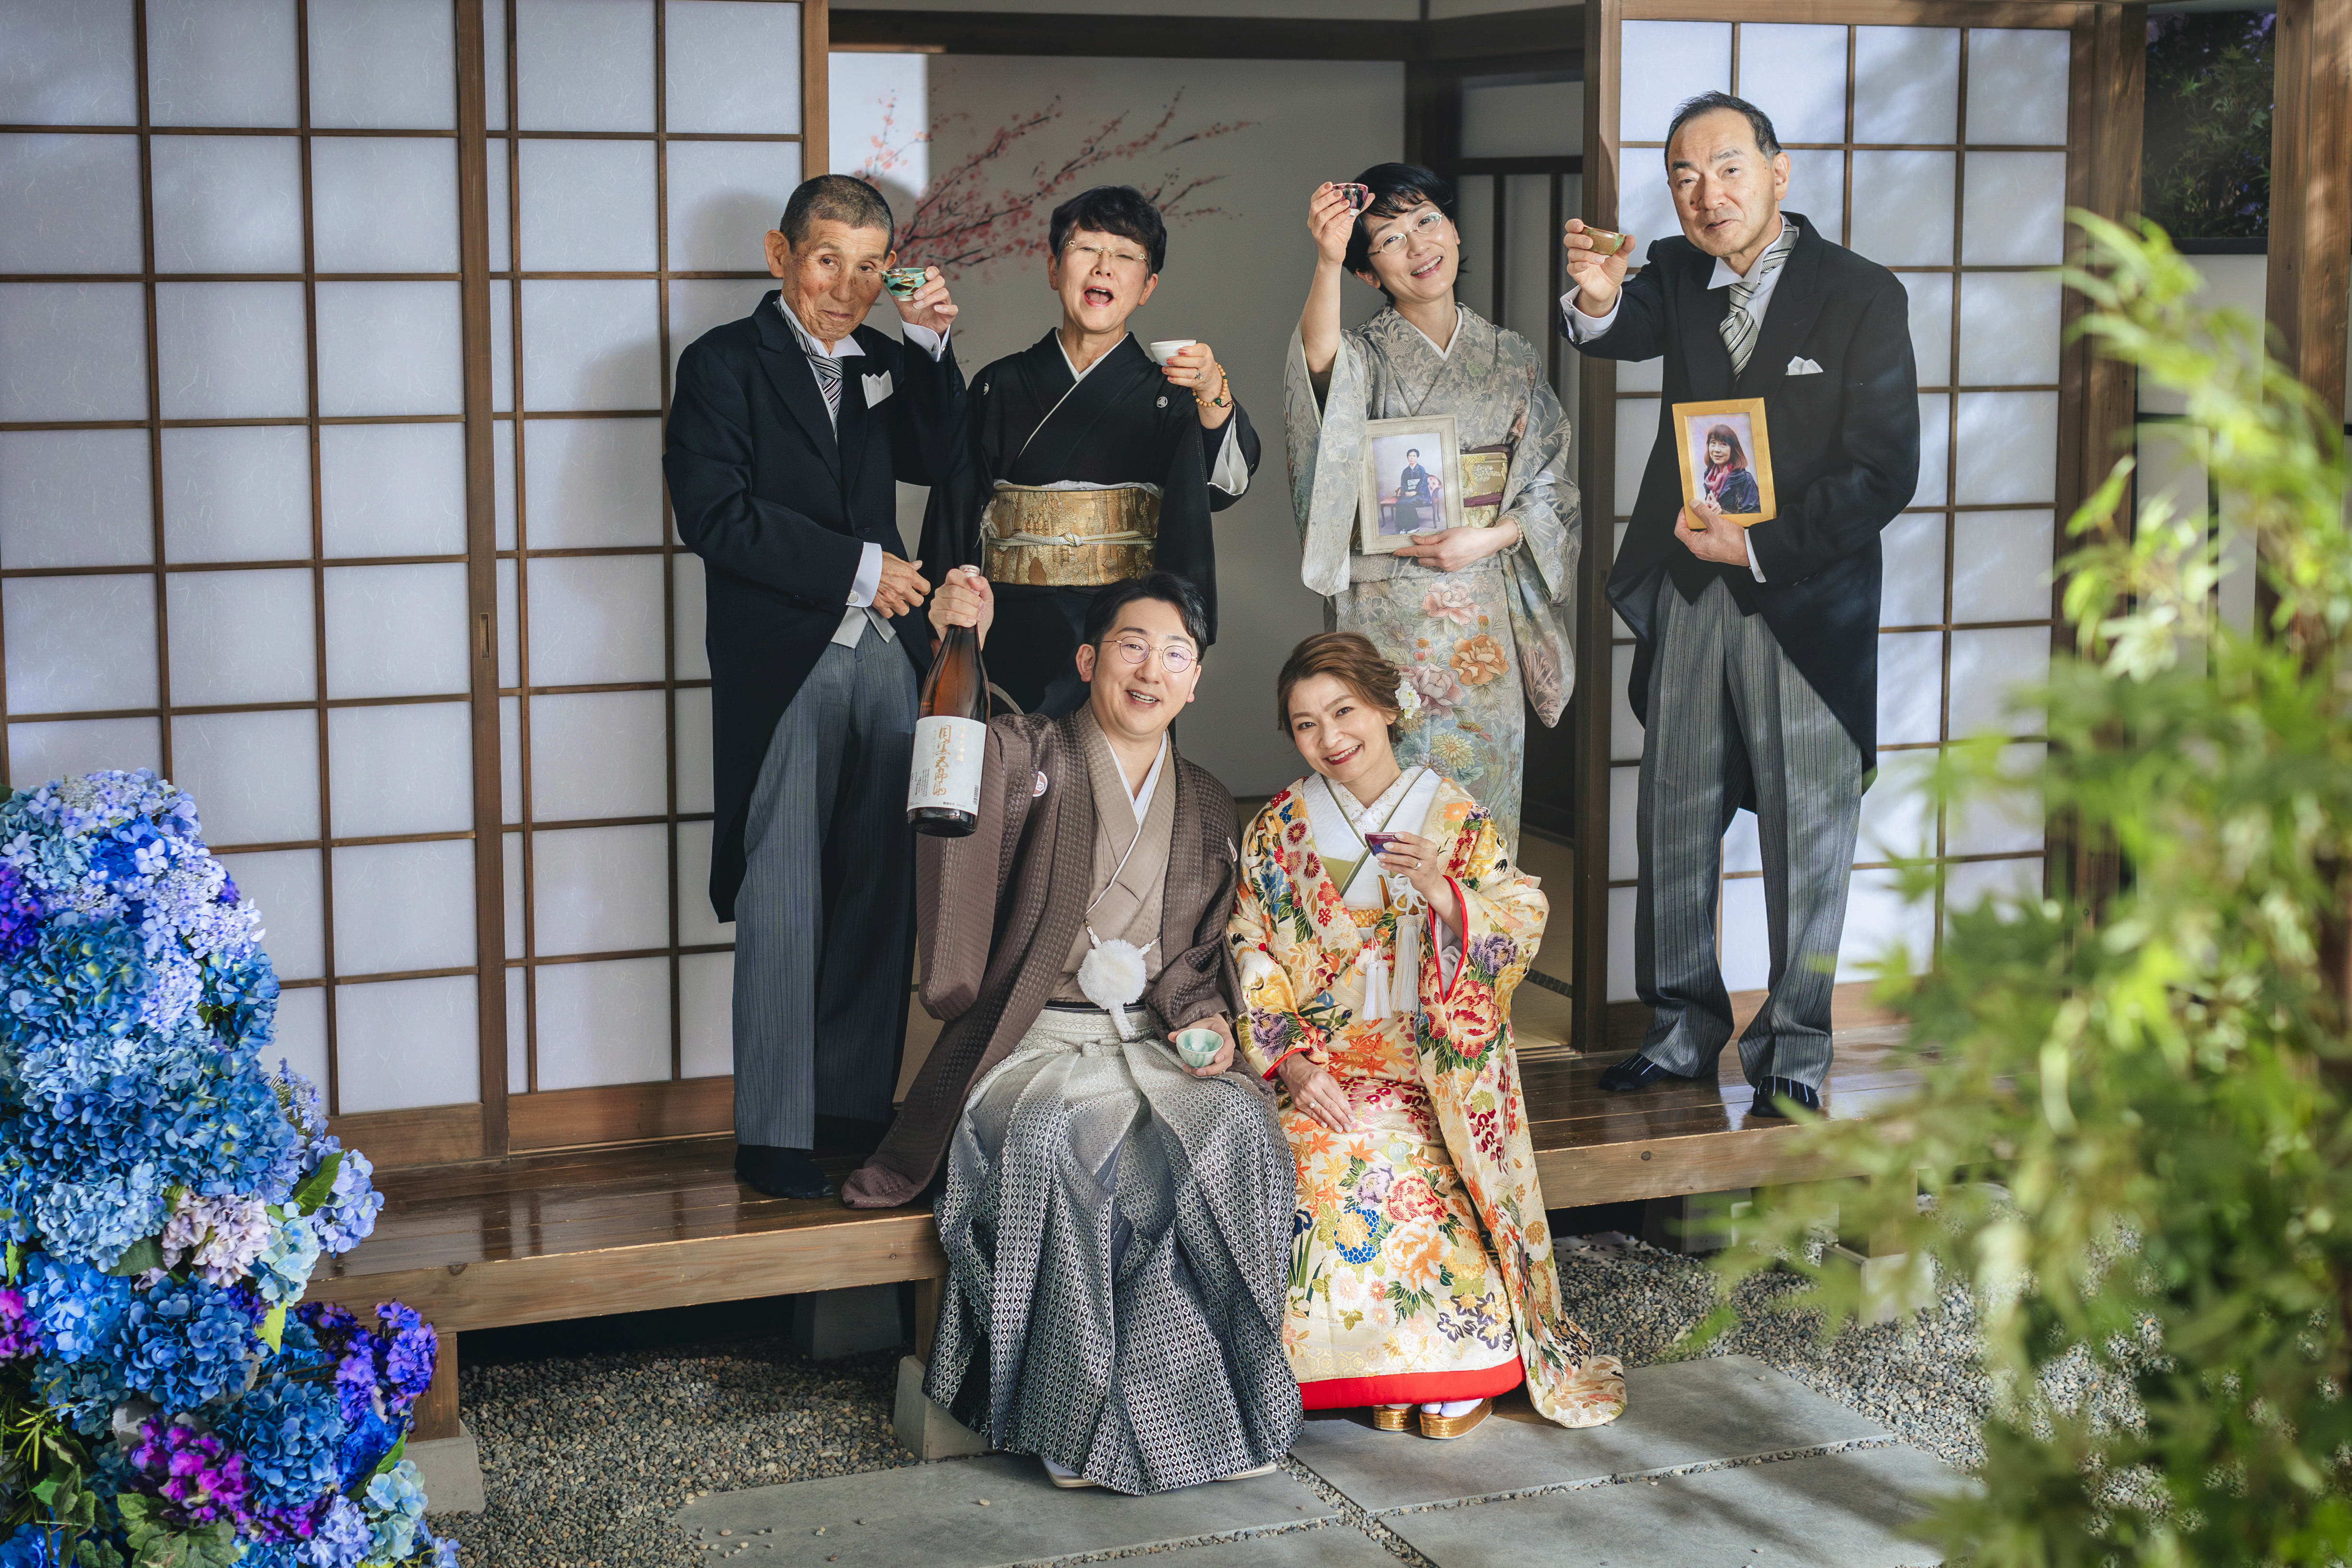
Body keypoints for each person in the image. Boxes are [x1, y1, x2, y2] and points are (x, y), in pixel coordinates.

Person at [842, 570, 1301, 1495]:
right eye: (1132, 646)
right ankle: (1072, 1415)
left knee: (1242, 1126)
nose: (1151, 669)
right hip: (1034, 1042)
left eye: (1175, 654)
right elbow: (953, 768)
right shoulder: (1025, 752)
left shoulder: (1206, 800)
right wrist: (959, 649)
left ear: (1196, 682)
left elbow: (1194, 959)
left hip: (1146, 1043)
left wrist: (1208, 1022)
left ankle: (1226, 1401)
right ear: (1089, 661)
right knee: (1067, 1139)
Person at [1560, 92, 1919, 1116]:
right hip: (1687, 587)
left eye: (1726, 168)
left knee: (1808, 832)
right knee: (1673, 816)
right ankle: (1679, 1030)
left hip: (1803, 602)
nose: (1705, 194)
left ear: (1777, 171)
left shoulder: (1859, 292)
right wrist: (1596, 296)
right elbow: (1613, 329)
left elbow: (1883, 469)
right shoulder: (1676, 273)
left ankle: (1794, 1045)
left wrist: (1759, 543)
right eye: (1683, 175)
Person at [1231, 631, 1627, 1440]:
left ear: (1386, 706)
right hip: (1323, 1071)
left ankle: (1450, 1368)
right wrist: (1293, 1063)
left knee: (1427, 1184)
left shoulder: (1454, 817)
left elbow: (1519, 919)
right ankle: (1372, 1375)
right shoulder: (1277, 829)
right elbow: (1249, 945)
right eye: (1305, 724)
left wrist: (1444, 891)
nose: (1330, 736)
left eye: (1344, 710)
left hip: (1437, 1071)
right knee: (1322, 1178)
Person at [663, 174, 964, 1200]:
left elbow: (941, 454)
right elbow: (714, 514)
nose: (847, 286)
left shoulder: (882, 357)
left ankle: (848, 1106)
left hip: (886, 650)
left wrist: (929, 344)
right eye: (827, 259)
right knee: (784, 889)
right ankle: (774, 1130)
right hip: (782, 653)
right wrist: (858, 566)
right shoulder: (721, 363)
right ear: (780, 253)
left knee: (882, 881)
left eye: (870, 267)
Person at [1287, 163, 1580, 852]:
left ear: (1452, 229)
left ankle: (1475, 928)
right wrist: (1326, 260)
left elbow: (1549, 486)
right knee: (1385, 808)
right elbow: (1317, 362)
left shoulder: (1511, 355)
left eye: (1427, 221)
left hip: (1481, 612)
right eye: (1389, 238)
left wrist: (1489, 537)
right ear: (1368, 273)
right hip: (1385, 616)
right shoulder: (1363, 357)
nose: (1418, 245)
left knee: (1480, 815)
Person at [917, 185, 1260, 717]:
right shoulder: (998, 385)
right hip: (1010, 626)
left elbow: (1217, 488)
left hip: (1126, 635)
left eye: (1125, 255)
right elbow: (955, 511)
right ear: (1054, 269)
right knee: (1010, 757)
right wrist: (953, 609)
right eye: (1086, 249)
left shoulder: (1169, 394)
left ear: (1147, 286)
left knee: (1116, 758)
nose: (1103, 266)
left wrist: (1213, 395)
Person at [1700, 423, 1761, 514]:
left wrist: (1722, 513)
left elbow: (1754, 515)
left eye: (1723, 444)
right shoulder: (1709, 476)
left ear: (1733, 449)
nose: (1716, 450)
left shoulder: (1745, 479)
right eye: (1713, 443)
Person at [1394, 448, 1432, 531]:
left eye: (1414, 456)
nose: (1412, 458)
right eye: (1410, 456)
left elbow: (1423, 483)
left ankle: (1415, 527)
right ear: (1407, 457)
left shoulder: (1421, 469)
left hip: (1420, 494)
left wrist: (1415, 492)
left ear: (1417, 457)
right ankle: (1403, 527)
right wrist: (1406, 492)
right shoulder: (1405, 471)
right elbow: (1403, 483)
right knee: (1400, 502)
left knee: (1408, 503)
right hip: (1409, 494)